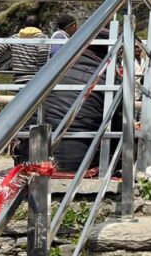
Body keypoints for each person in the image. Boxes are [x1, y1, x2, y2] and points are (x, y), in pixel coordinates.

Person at [40, 44, 108, 172]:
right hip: (78, 161)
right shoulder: (109, 80)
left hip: (34, 156)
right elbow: (119, 124)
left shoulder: (50, 71)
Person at [0, 15, 49, 84]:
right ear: (40, 25)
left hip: (19, 79)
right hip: (35, 80)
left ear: (25, 25)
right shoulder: (42, 38)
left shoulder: (15, 38)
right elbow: (43, 51)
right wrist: (41, 71)